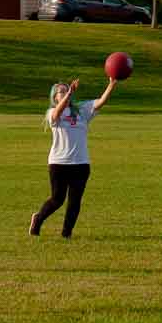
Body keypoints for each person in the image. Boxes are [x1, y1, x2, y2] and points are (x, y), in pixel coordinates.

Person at [29, 77, 117, 238]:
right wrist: (69, 94)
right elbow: (57, 113)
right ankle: (38, 219)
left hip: (81, 163)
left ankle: (66, 234)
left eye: (66, 90)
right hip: (59, 163)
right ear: (55, 97)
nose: (65, 93)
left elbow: (100, 102)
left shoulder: (81, 110)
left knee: (75, 201)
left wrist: (111, 84)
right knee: (57, 199)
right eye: (61, 92)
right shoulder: (52, 112)